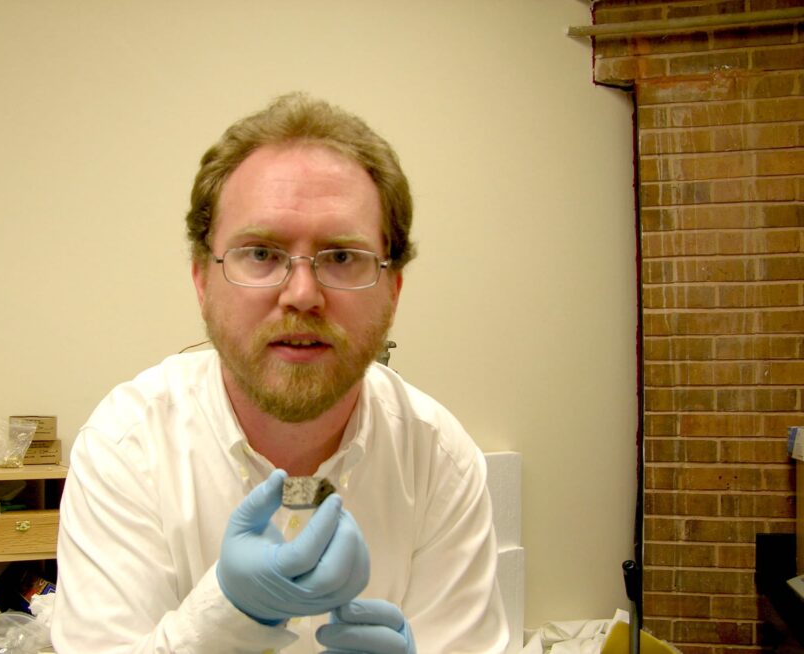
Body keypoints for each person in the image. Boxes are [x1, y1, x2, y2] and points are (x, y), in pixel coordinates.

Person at [52, 92, 508, 653]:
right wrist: (226, 616)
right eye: (261, 253)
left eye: (341, 256)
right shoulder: (128, 447)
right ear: (202, 279)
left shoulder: (437, 458)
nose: (301, 295)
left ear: (393, 289)